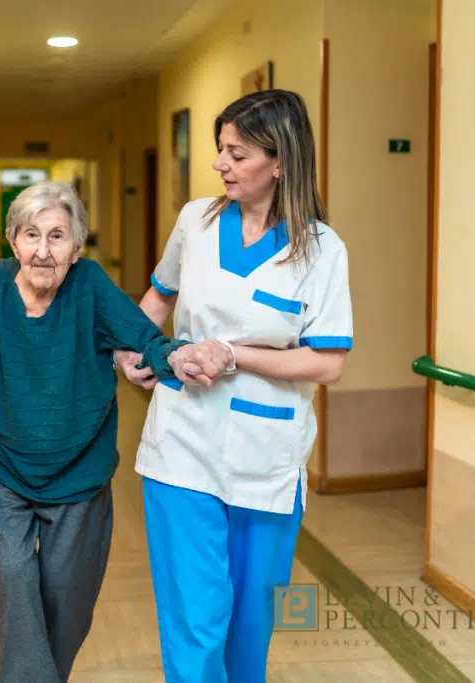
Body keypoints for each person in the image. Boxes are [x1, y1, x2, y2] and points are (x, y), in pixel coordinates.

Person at [117, 89, 353, 682]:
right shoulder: (195, 221)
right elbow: (159, 297)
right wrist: (133, 346)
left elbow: (327, 363)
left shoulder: (322, 250)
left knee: (251, 627)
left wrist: (233, 354)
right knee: (195, 619)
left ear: (280, 161)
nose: (221, 164)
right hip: (181, 446)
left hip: (266, 459)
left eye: (237, 153)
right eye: (220, 150)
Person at [0, 180, 205, 683]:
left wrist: (175, 357)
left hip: (79, 471)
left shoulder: (89, 285)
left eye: (57, 236)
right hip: (3, 465)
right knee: (17, 577)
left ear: (77, 245)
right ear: (12, 240)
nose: (42, 250)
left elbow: (144, 339)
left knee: (67, 595)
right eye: (30, 235)